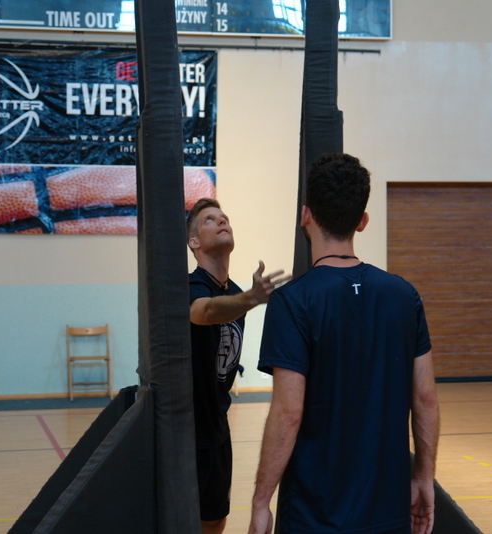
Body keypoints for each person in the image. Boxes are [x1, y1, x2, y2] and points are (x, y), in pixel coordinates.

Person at [248, 154, 441, 534]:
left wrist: (260, 501)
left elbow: (288, 412)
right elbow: (425, 399)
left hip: (312, 517)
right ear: (362, 221)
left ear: (305, 216)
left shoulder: (292, 301)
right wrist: (423, 477)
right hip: (389, 513)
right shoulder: (404, 296)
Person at [186, 198, 290, 534]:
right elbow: (205, 311)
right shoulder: (191, 286)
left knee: (215, 519)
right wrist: (251, 299)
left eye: (224, 218)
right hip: (185, 433)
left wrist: (249, 298)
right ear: (194, 242)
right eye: (209, 219)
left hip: (218, 427)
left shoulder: (235, 293)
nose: (222, 221)